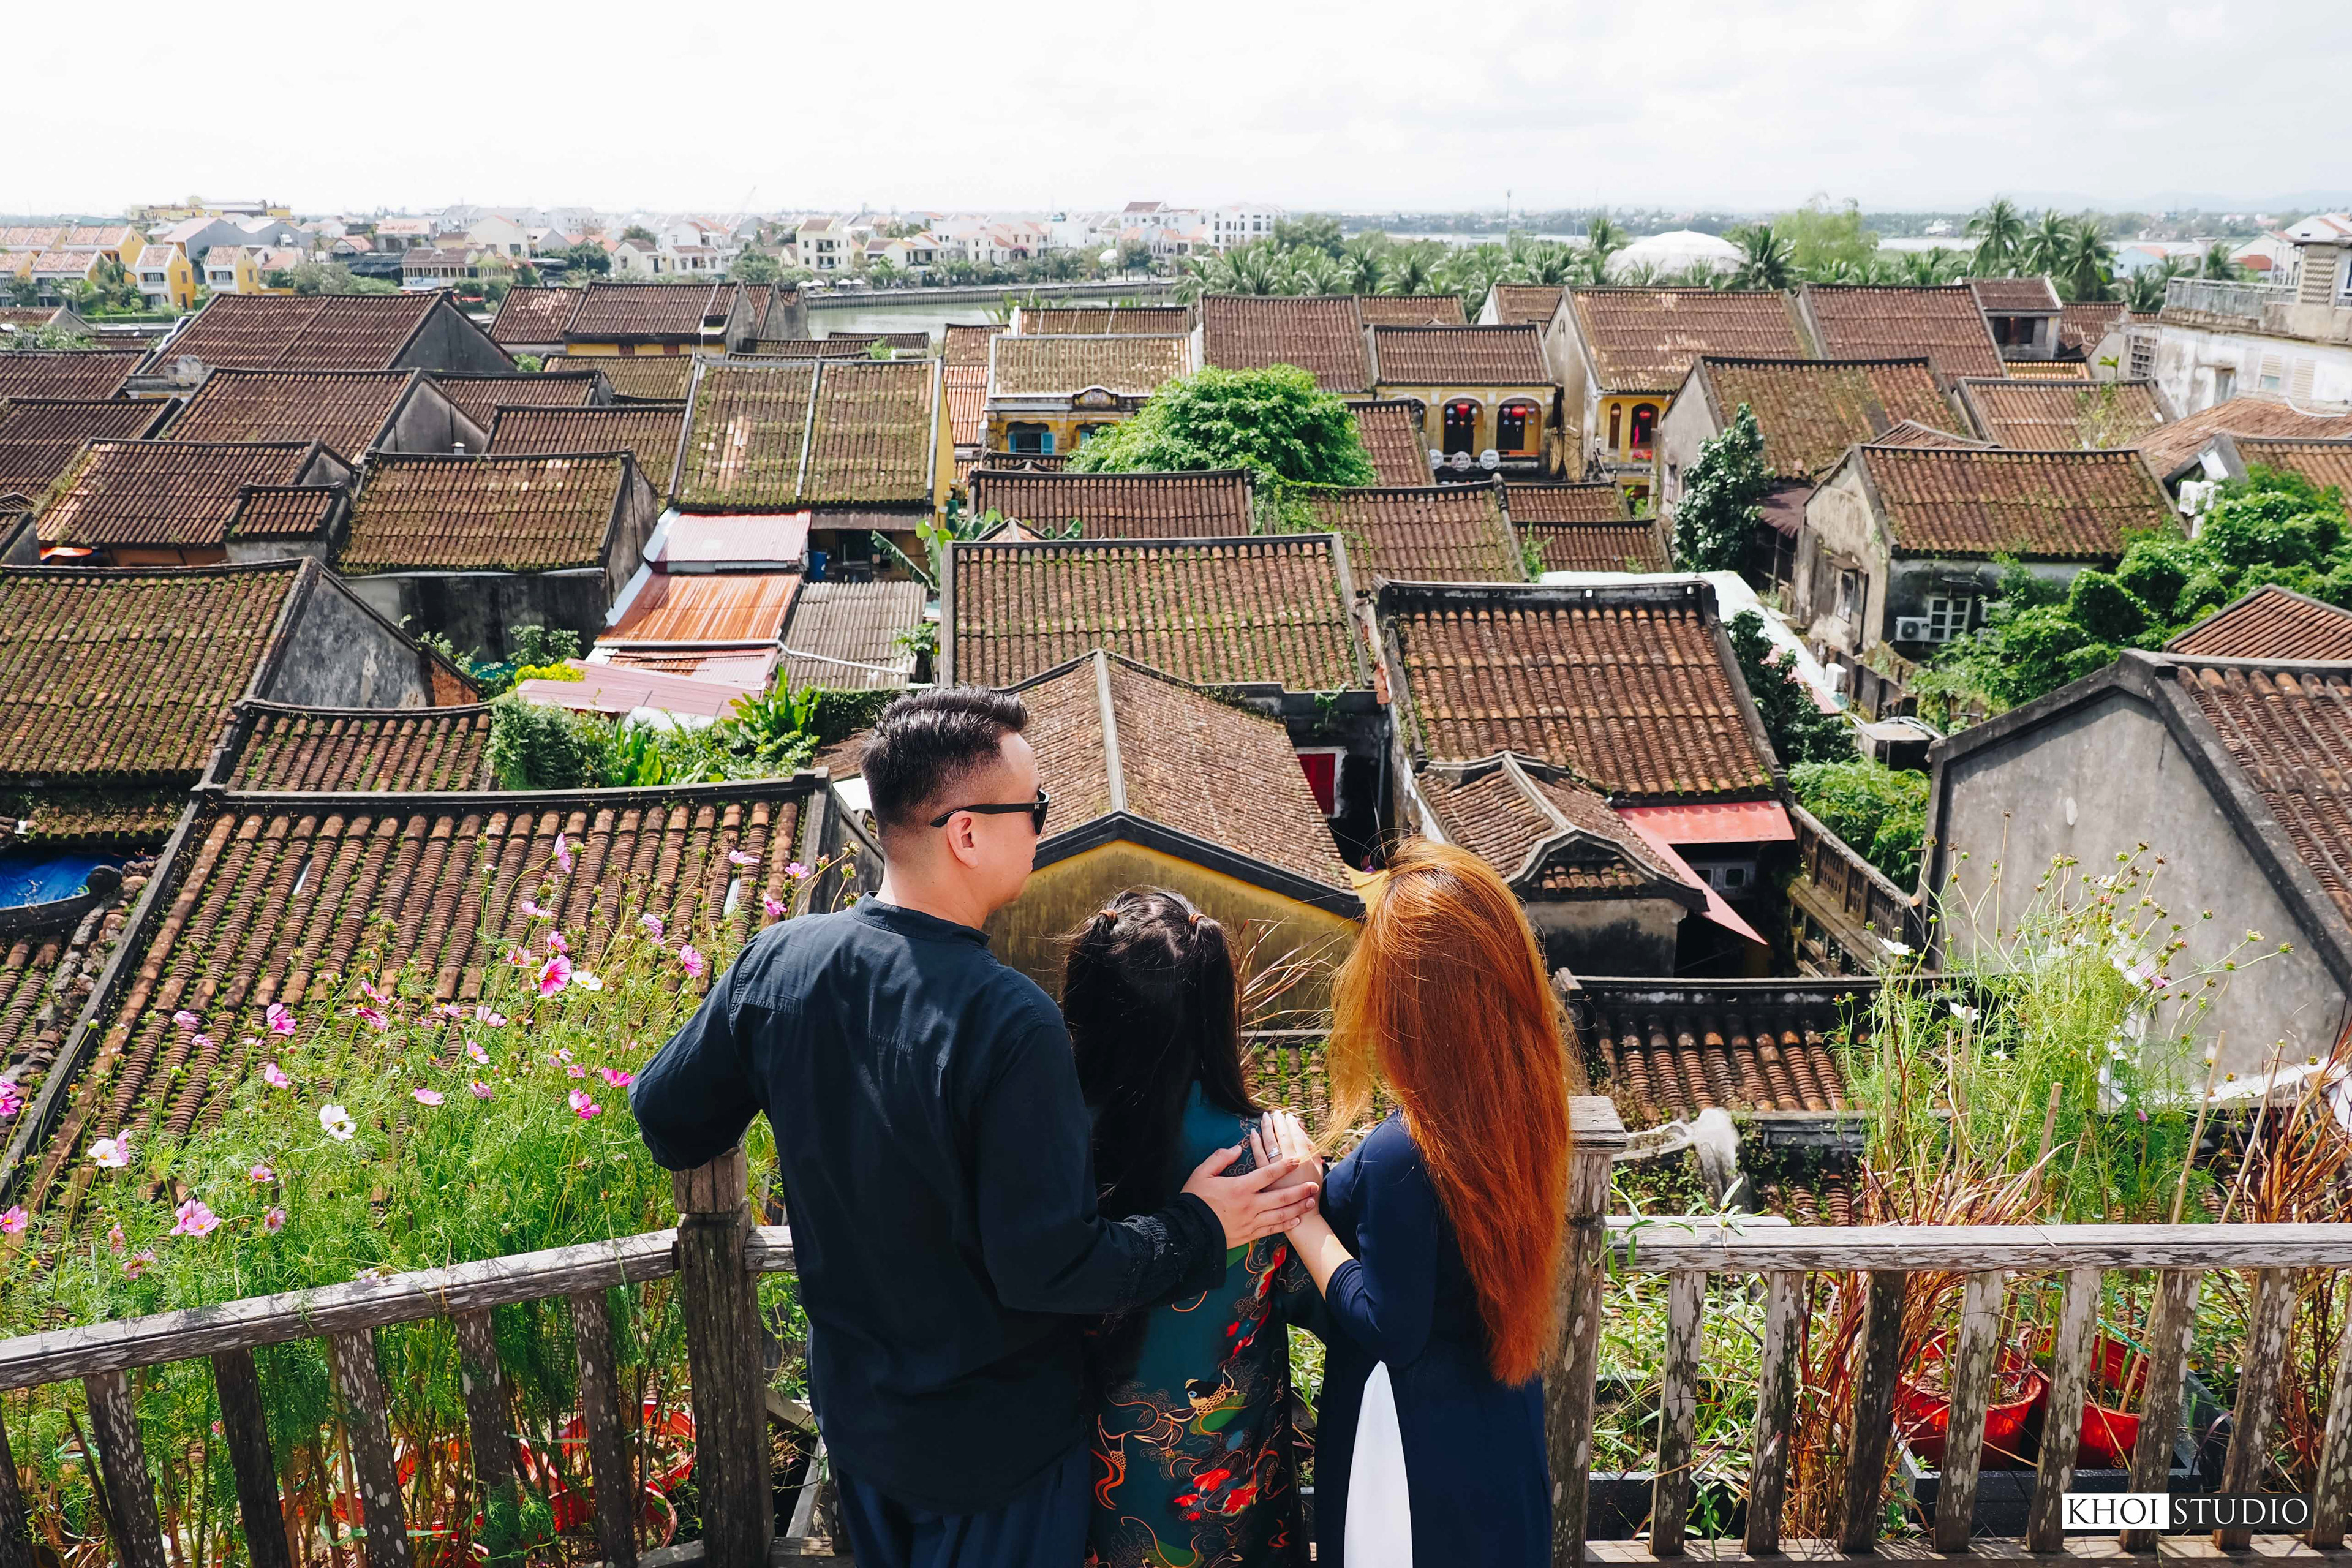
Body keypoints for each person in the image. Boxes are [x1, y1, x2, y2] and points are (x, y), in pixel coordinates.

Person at [628, 688, 1321, 1568]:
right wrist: (1202, 1224)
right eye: (1033, 811)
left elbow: (667, 1119)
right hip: (999, 1455)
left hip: (862, 1419)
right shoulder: (1009, 1023)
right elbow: (1052, 1267)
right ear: (965, 832)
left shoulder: (782, 963)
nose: (1040, 827)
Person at [1256, 838, 1572, 1568]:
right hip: (1496, 1430)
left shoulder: (1408, 1150)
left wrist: (1303, 1215)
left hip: (1404, 1445)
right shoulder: (1525, 1115)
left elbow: (1388, 1324)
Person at [1063, 890, 1320, 1568]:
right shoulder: (1260, 1156)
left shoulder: (1047, 1142)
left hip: (1082, 1489)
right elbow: (1313, 1295)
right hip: (1232, 1496)